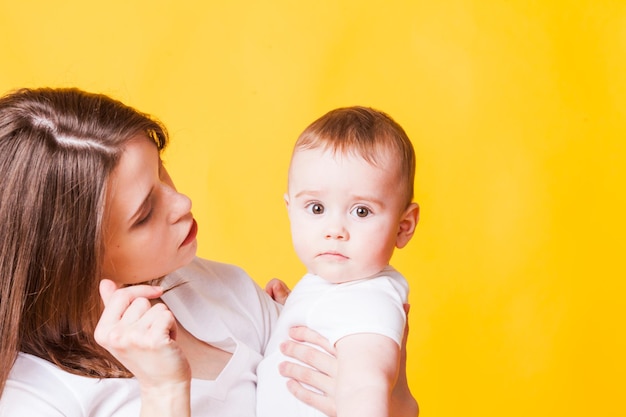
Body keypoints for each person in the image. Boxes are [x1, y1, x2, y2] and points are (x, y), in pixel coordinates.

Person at [0, 88, 418, 417]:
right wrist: (164, 390)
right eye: (145, 213)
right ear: (73, 258)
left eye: (162, 170)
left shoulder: (223, 288)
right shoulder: (39, 401)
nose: (182, 203)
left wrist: (391, 389)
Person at [257, 106, 420, 417]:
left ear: (403, 227)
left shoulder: (370, 300)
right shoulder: (341, 293)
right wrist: (292, 311)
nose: (334, 231)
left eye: (361, 211)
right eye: (316, 208)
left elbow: (366, 386)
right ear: (290, 209)